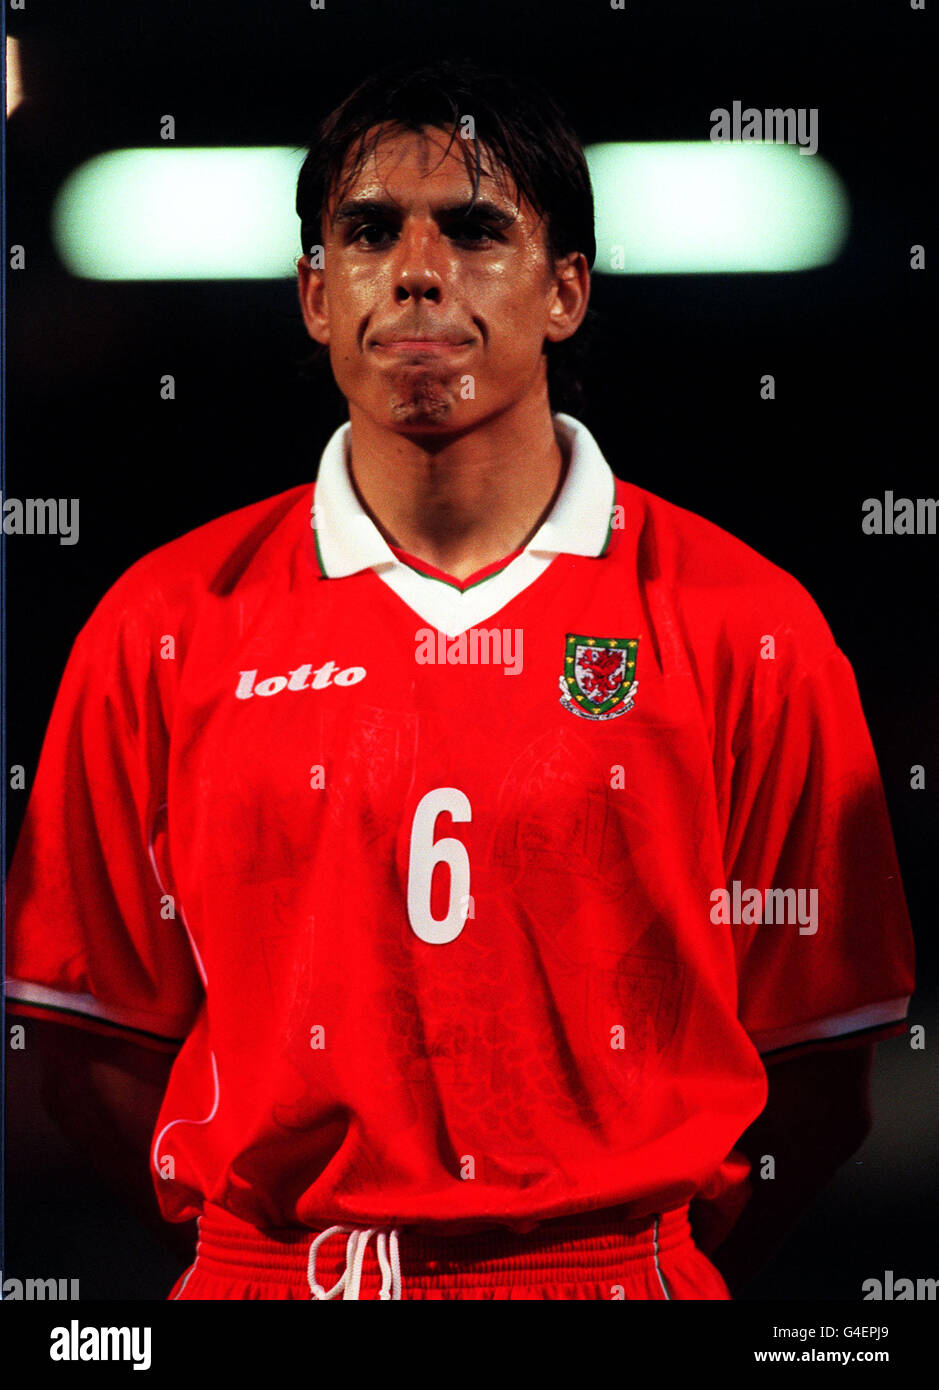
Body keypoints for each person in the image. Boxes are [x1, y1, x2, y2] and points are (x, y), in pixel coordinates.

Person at [5, 59, 915, 1301]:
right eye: (372, 232)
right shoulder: (161, 624)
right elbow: (87, 1052)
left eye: (478, 230)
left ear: (569, 292)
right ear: (316, 296)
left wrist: (613, 1265)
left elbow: (819, 1075)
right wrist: (268, 1265)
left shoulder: (745, 623)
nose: (420, 268)